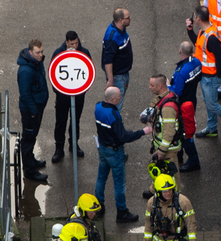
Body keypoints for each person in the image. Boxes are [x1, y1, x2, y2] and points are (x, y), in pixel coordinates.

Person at [94, 87, 150, 224]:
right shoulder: (114, 114)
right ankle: (122, 212)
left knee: (101, 178)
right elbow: (123, 137)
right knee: (119, 183)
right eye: (119, 96)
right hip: (114, 152)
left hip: (103, 148)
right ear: (113, 99)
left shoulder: (98, 106)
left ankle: (98, 206)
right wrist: (142, 132)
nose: (121, 98)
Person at [50, 31, 91, 163]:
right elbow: (53, 74)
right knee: (60, 122)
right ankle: (59, 148)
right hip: (62, 96)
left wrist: (82, 90)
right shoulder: (58, 53)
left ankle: (74, 144)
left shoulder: (84, 52)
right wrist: (59, 91)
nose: (75, 46)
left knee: (75, 120)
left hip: (78, 95)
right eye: (72, 43)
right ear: (66, 42)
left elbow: (87, 73)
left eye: (77, 43)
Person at [142, 73, 183, 199]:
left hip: (167, 148)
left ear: (160, 86)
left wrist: (161, 150)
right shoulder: (163, 96)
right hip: (160, 145)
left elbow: (169, 132)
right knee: (160, 169)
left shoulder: (168, 108)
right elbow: (153, 105)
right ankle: (155, 189)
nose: (150, 87)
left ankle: (176, 197)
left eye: (152, 85)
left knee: (171, 173)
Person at [187, 5, 221, 138]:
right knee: (209, 103)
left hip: (211, 77)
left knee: (213, 105)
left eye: (194, 16)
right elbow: (198, 44)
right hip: (205, 76)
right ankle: (212, 128)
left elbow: (220, 58)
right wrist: (190, 30)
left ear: (198, 18)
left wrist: (219, 77)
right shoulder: (205, 31)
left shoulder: (211, 38)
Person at [16, 39, 50, 183]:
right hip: (31, 111)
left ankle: (31, 160)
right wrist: (34, 110)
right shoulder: (25, 71)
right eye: (38, 52)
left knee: (32, 136)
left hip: (36, 107)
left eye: (42, 51)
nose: (41, 55)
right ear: (30, 52)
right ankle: (29, 171)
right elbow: (25, 94)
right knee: (28, 139)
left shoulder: (36, 62)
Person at [170, 42, 202, 172]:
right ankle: (180, 154)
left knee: (185, 133)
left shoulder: (181, 72)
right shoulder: (197, 62)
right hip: (191, 101)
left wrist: (167, 86)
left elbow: (176, 92)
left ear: (180, 51)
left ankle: (193, 160)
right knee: (183, 130)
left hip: (183, 106)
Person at [102, 8, 133, 103]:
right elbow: (108, 60)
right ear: (120, 20)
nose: (130, 19)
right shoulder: (112, 38)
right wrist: (111, 80)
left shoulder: (121, 29)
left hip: (123, 74)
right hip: (118, 77)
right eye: (128, 17)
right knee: (116, 103)